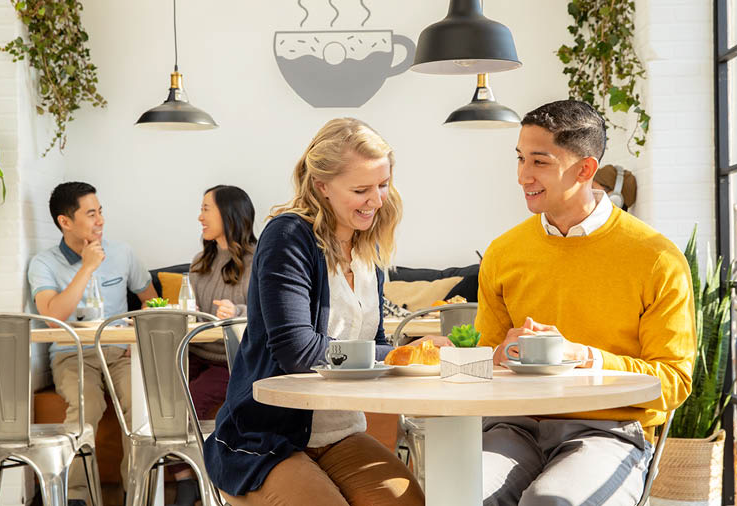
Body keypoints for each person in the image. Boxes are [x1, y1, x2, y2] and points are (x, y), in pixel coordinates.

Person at [475, 100, 696, 506]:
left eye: (540, 162)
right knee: (455, 493)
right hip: (512, 428)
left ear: (585, 169)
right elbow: (485, 357)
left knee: (550, 502)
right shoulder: (503, 253)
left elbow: (675, 381)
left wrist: (586, 358)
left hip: (608, 431)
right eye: (521, 159)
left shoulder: (656, 258)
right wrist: (496, 356)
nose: (523, 175)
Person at [203, 118, 425, 505]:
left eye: (383, 184)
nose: (377, 200)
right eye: (361, 189)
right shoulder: (289, 237)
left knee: (406, 500)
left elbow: (371, 342)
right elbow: (298, 351)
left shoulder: (366, 250)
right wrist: (399, 357)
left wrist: (414, 361)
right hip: (266, 438)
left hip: (340, 432)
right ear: (322, 186)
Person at [27, 181, 157, 505]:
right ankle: (76, 498)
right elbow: (51, 315)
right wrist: (87, 267)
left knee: (139, 404)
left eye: (100, 212)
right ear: (65, 222)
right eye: (90, 214)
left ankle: (136, 493)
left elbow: (153, 301)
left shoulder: (123, 253)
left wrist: (136, 336)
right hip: (72, 354)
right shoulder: (43, 263)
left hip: (120, 352)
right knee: (86, 407)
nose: (100, 221)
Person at [170, 184, 258, 506]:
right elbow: (189, 312)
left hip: (234, 361)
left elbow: (269, 312)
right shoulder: (200, 262)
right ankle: (184, 478)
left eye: (206, 209)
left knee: (188, 398)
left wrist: (238, 312)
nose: (200, 216)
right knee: (163, 393)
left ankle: (205, 478)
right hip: (196, 352)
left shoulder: (258, 260)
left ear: (229, 213)